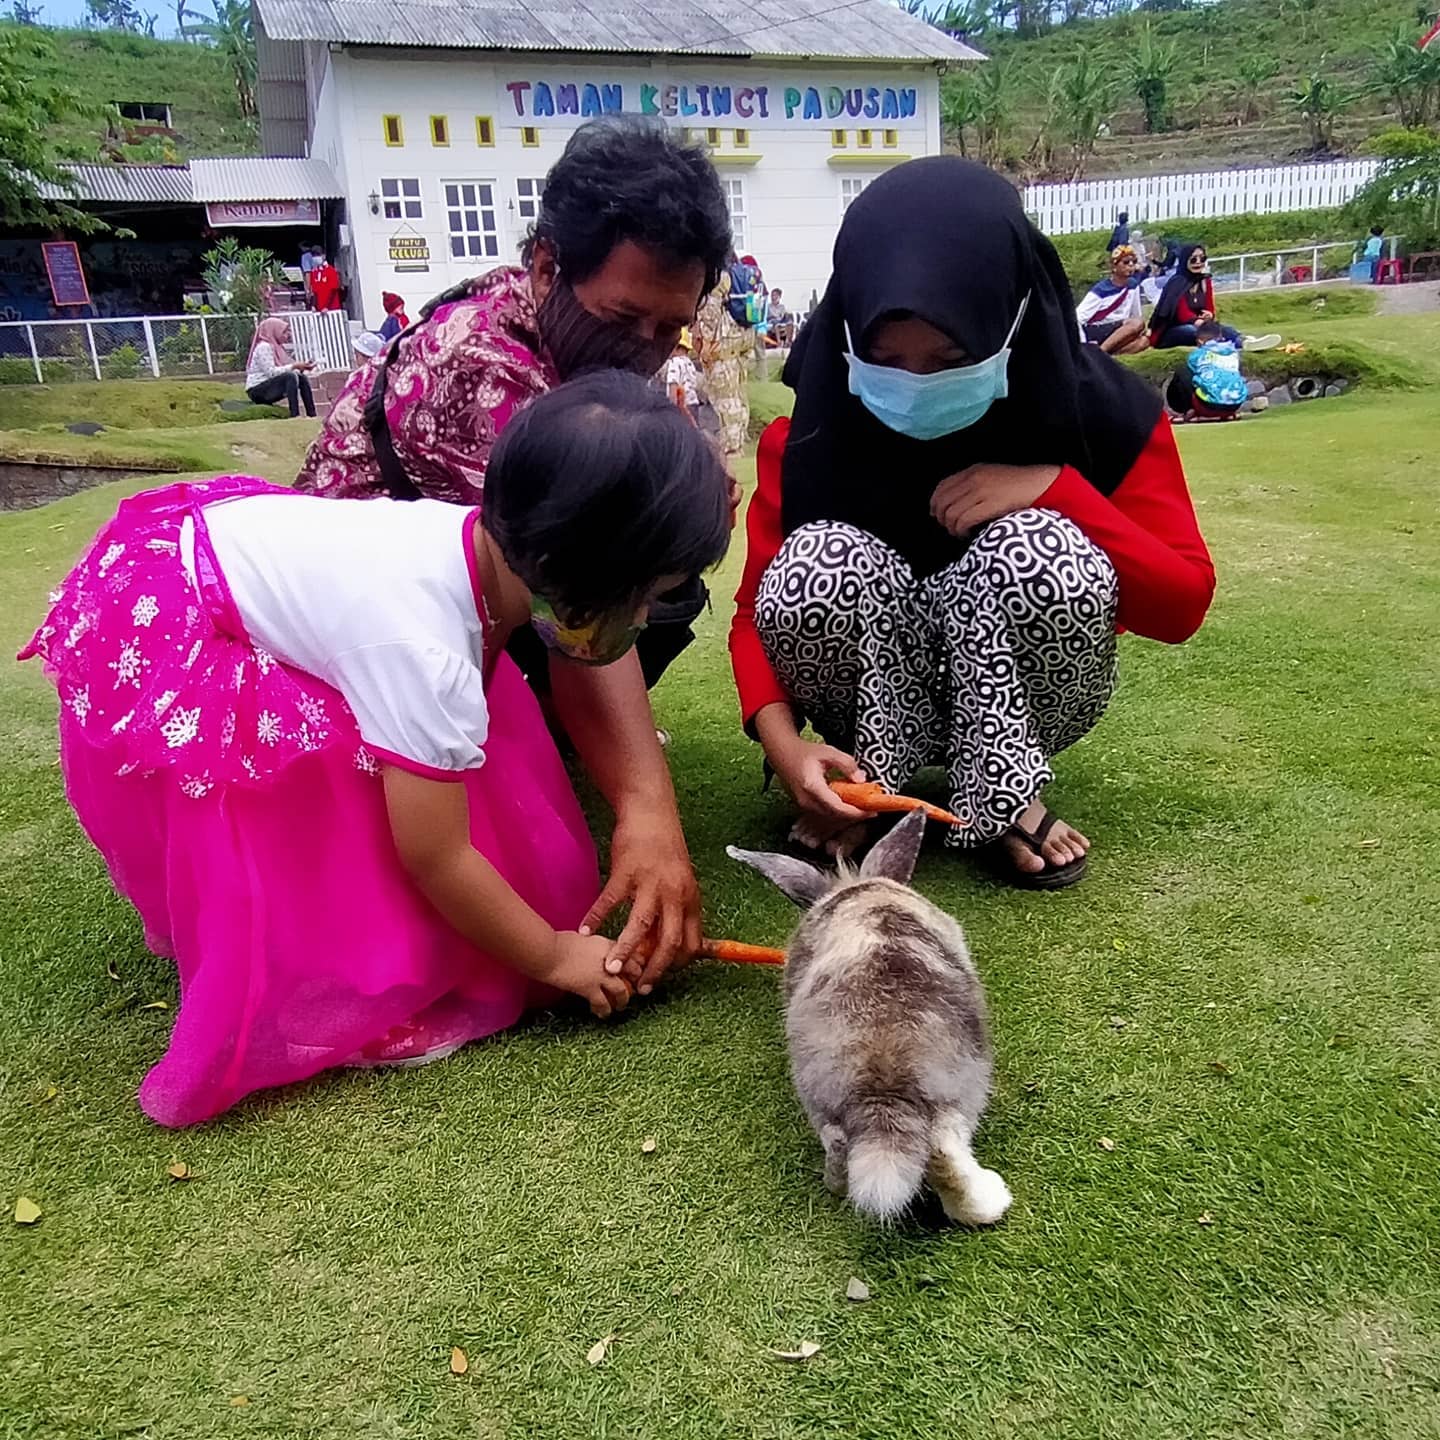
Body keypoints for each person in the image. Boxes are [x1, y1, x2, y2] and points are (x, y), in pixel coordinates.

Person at [19, 373, 731, 1127]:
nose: (648, 617)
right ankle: (309, 964)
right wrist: (554, 957)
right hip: (178, 603)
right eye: (648, 596)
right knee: (307, 783)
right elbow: (436, 853)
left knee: (429, 760)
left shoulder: (486, 553)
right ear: (581, 584)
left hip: (248, 553)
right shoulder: (423, 650)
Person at [296, 116, 733, 964]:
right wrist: (652, 817)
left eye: (667, 329)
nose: (643, 353)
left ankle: (550, 745)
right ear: (545, 267)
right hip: (361, 643)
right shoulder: (485, 373)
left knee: (665, 580)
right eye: (623, 319)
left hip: (477, 594)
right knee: (627, 578)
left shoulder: (585, 353)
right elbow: (576, 597)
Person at [729, 158, 1217, 889]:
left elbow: (1182, 605)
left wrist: (1055, 489)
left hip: (1035, 693)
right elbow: (753, 613)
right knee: (817, 560)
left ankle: (1005, 790)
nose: (916, 384)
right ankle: (869, 785)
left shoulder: (1106, 418)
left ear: (1013, 320)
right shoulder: (809, 437)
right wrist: (783, 745)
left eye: (950, 357)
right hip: (859, 700)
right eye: (887, 359)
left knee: (1035, 548)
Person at [1149, 245, 1281, 351]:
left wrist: (1209, 315)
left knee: (1224, 328)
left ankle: (1244, 341)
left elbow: (1209, 306)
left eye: (1202, 258)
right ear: (1185, 261)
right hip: (1173, 329)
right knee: (1193, 331)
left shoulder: (1204, 281)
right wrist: (1199, 322)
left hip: (1200, 324)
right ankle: (1227, 343)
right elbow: (1182, 313)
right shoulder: (1177, 282)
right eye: (1193, 259)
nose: (1198, 263)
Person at [693, 252, 754, 456]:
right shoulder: (744, 275)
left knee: (725, 398)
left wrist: (704, 344)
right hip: (742, 339)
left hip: (723, 342)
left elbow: (709, 314)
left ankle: (731, 448)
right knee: (738, 392)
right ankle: (739, 439)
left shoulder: (718, 278)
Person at [1165, 323, 1249, 421]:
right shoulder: (1234, 353)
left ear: (1199, 341)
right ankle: (1229, 413)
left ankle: (1187, 410)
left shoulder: (1197, 354)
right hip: (1235, 405)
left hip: (1206, 405)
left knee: (1183, 372)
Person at [1076, 244, 1150, 355]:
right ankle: (1100, 353)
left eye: (1133, 262)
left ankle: (1108, 354)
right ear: (1114, 267)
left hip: (1120, 329)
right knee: (1136, 323)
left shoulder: (1133, 285)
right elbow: (1078, 317)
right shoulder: (1101, 290)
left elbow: (1135, 313)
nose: (1131, 265)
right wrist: (1083, 343)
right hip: (1098, 329)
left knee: (1143, 341)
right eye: (1125, 262)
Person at [244, 317, 316, 417]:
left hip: (268, 386)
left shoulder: (277, 347)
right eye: (284, 332)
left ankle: (312, 414)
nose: (288, 335)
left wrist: (301, 367)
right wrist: (294, 366)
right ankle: (295, 415)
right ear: (274, 331)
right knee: (290, 376)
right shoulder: (264, 347)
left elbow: (285, 368)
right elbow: (271, 373)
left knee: (301, 377)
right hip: (257, 390)